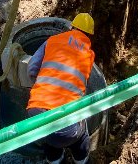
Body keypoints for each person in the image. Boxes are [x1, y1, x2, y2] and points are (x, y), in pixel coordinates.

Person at [27, 13, 96, 164]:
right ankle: (82, 161)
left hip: (34, 112)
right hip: (67, 124)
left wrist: (41, 86)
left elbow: (32, 68)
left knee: (50, 134)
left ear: (72, 27)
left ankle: (55, 160)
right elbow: (81, 83)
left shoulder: (52, 40)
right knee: (79, 131)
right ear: (89, 36)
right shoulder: (89, 55)